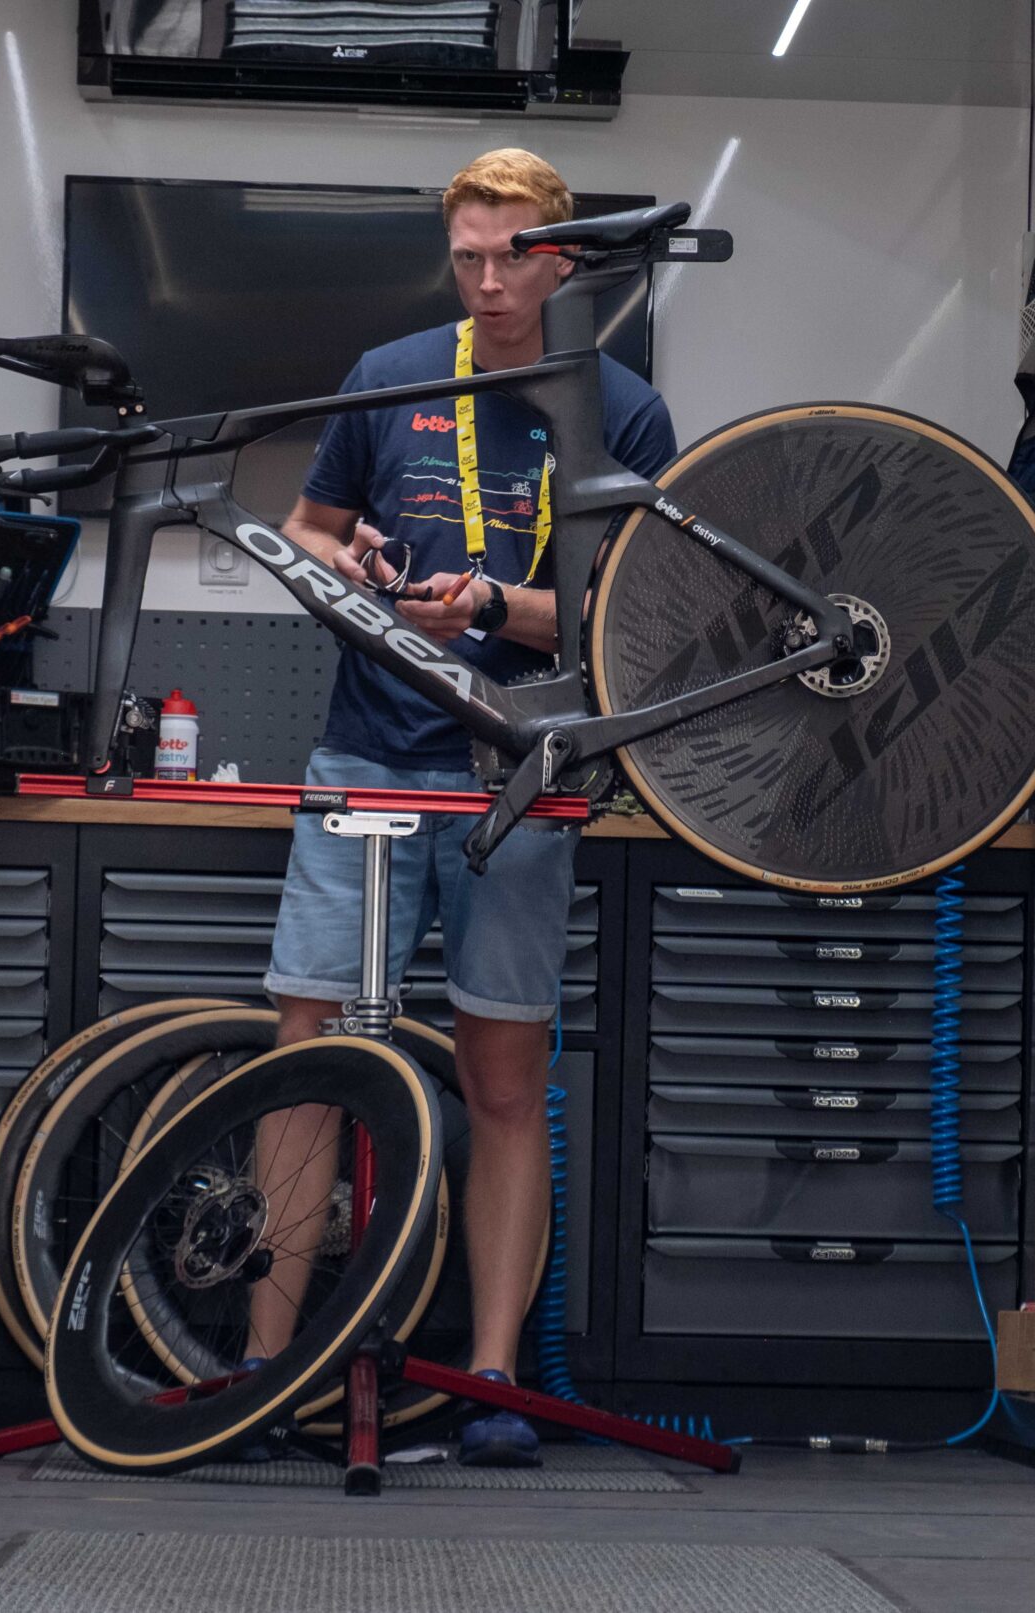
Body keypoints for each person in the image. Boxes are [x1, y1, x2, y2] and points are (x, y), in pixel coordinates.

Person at [248, 148, 676, 1466]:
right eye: (468, 257)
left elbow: (633, 614)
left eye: (513, 256)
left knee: (503, 1078)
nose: (489, 282)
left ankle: (493, 1376)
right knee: (309, 1055)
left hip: (521, 778)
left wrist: (497, 605)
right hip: (366, 760)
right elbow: (305, 528)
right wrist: (357, 560)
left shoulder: (622, 410)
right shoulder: (389, 378)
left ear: (564, 257)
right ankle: (266, 1366)